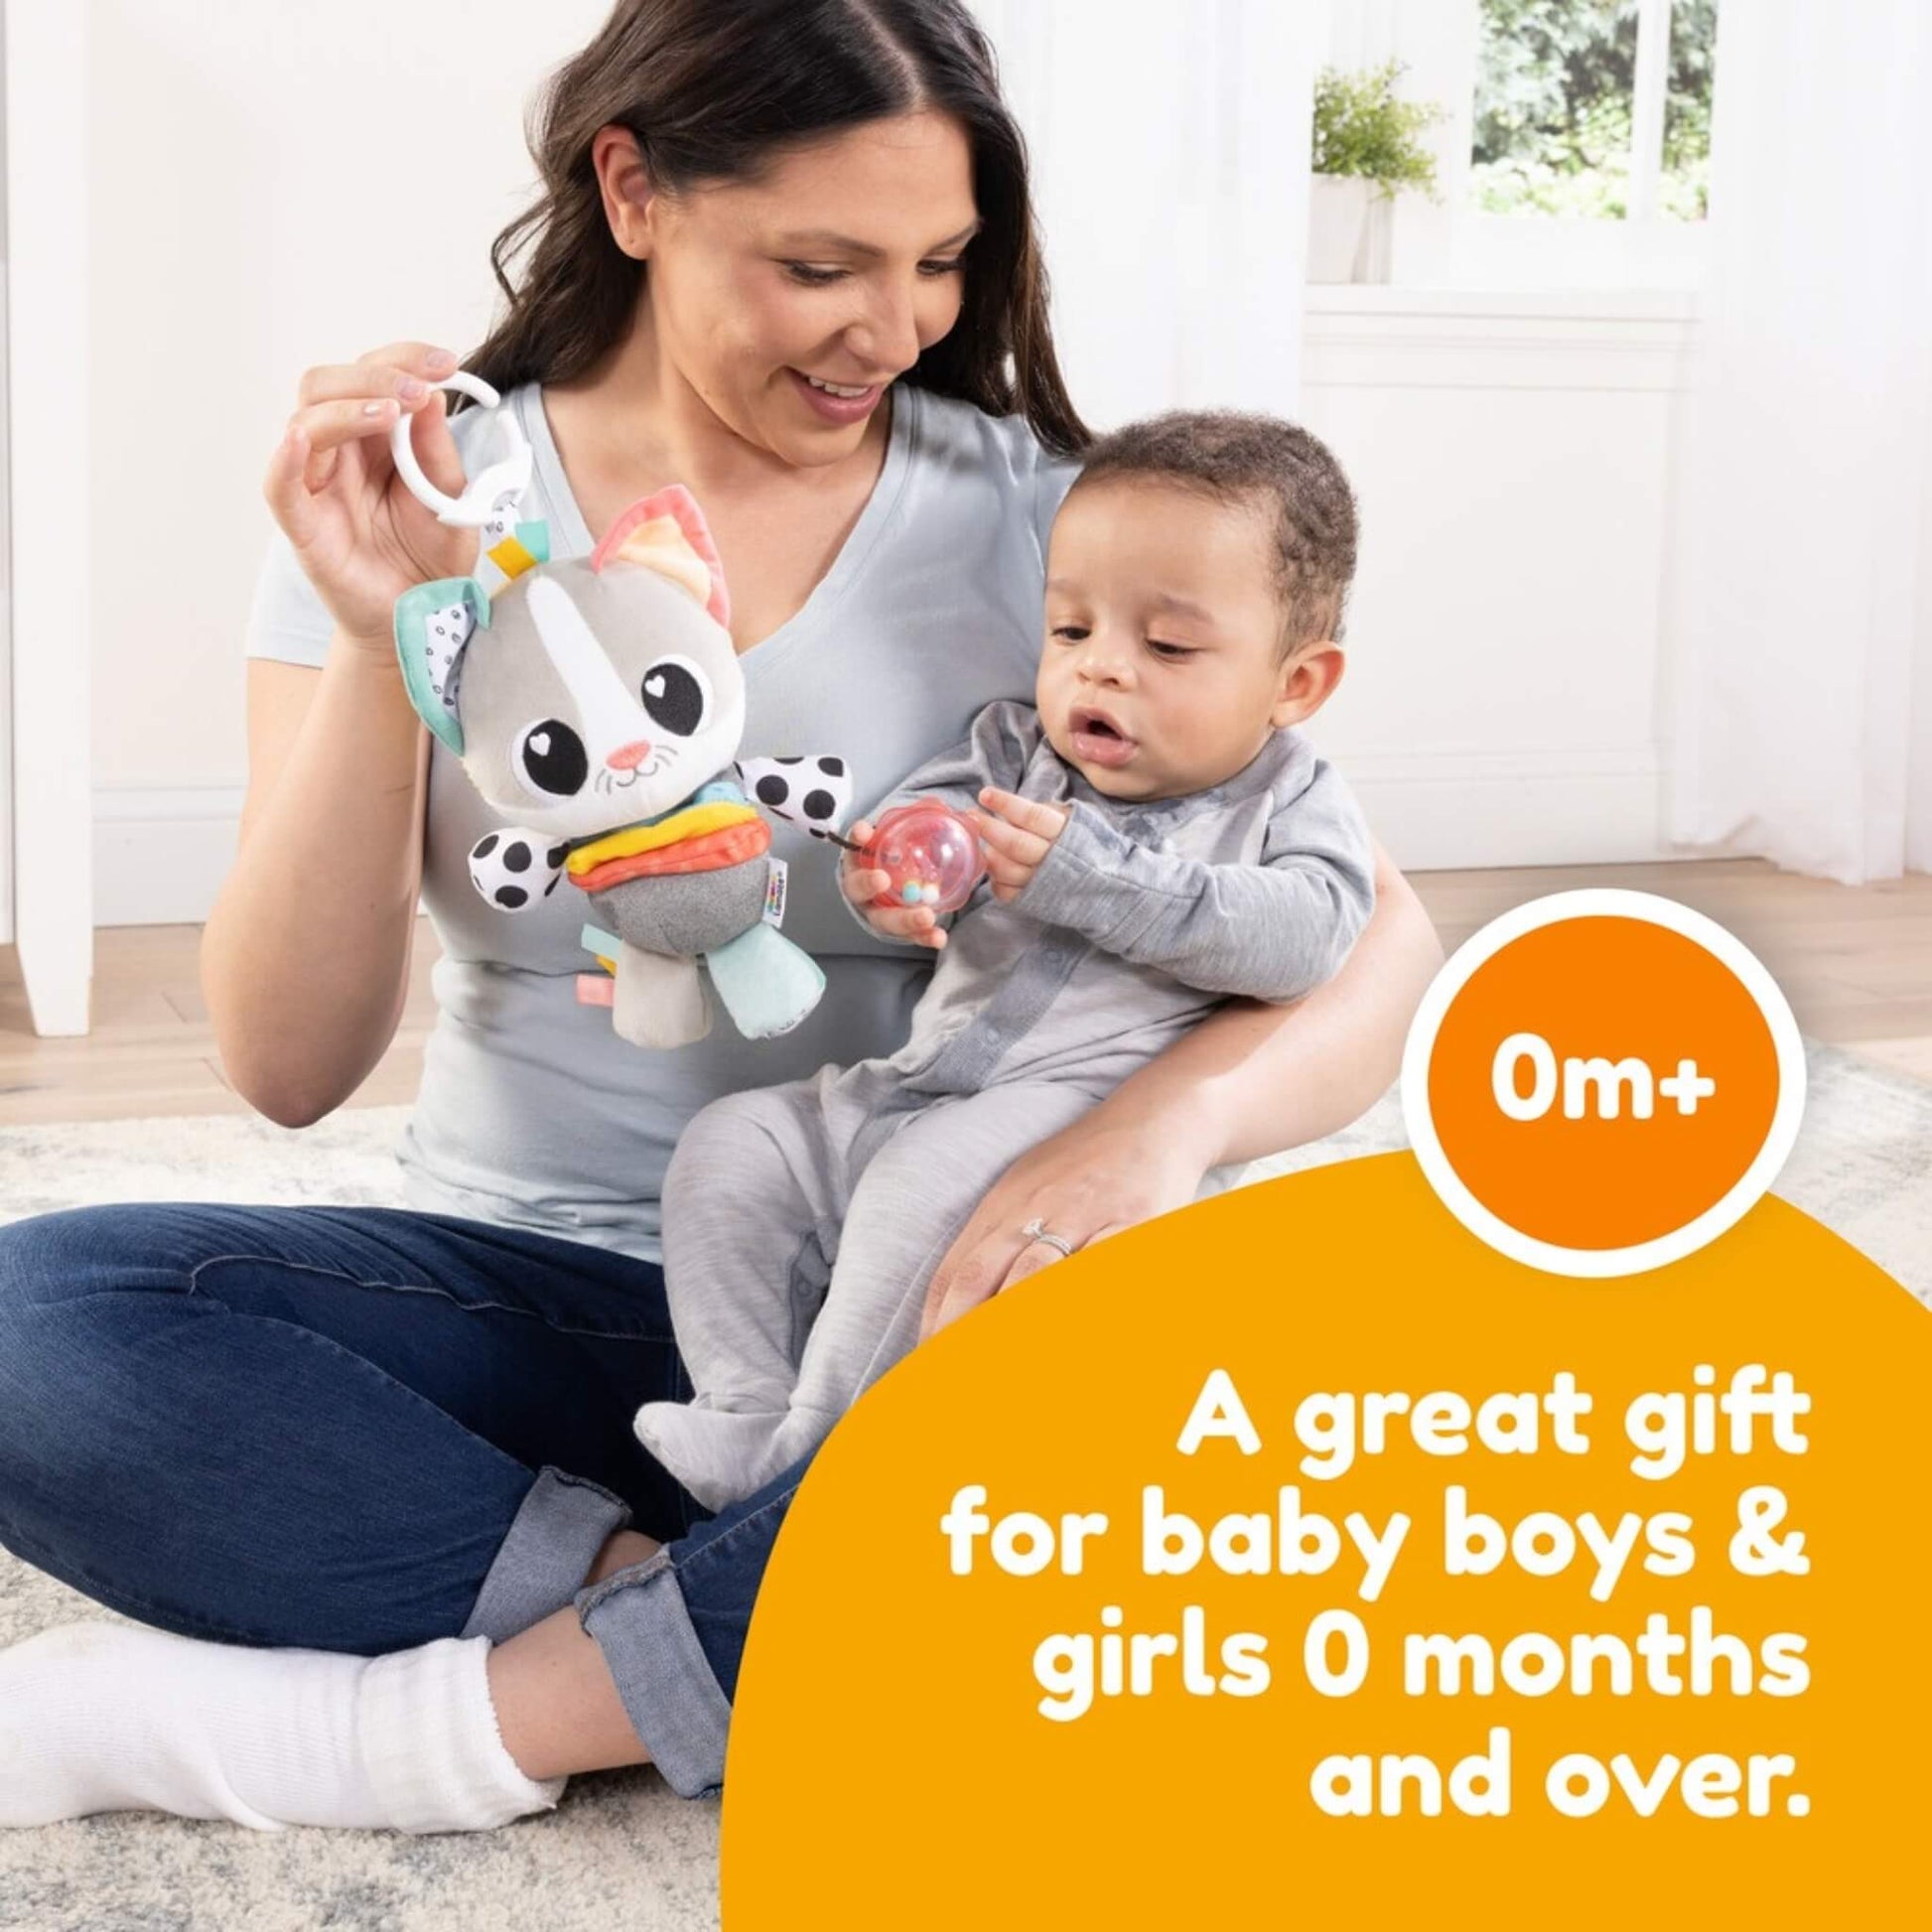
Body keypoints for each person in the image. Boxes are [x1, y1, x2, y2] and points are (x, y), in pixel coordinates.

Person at [0, 0, 1442, 1835]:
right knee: (36, 1329)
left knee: (1363, 1443)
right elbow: (286, 1068)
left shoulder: (1047, 531)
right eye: (820, 264)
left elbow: (1371, 934)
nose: (893, 329)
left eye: (938, 263)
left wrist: (1143, 1145)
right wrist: (384, 639)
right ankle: (770, 1618)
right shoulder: (439, 508)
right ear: (633, 189)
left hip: (938, 1299)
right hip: (578, 1311)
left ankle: (458, 1727)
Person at [639, 410, 1376, 1508]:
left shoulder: (1290, 800)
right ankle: (747, 1410)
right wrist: (891, 878)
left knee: (909, 1198)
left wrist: (1098, 877)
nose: (1102, 672)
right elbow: (922, 830)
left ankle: (821, 1465)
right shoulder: (1006, 749)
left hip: (1070, 1121)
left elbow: (1308, 935)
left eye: (1166, 646)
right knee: (731, 1145)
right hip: (911, 1085)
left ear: (1295, 683)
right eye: (1070, 630)